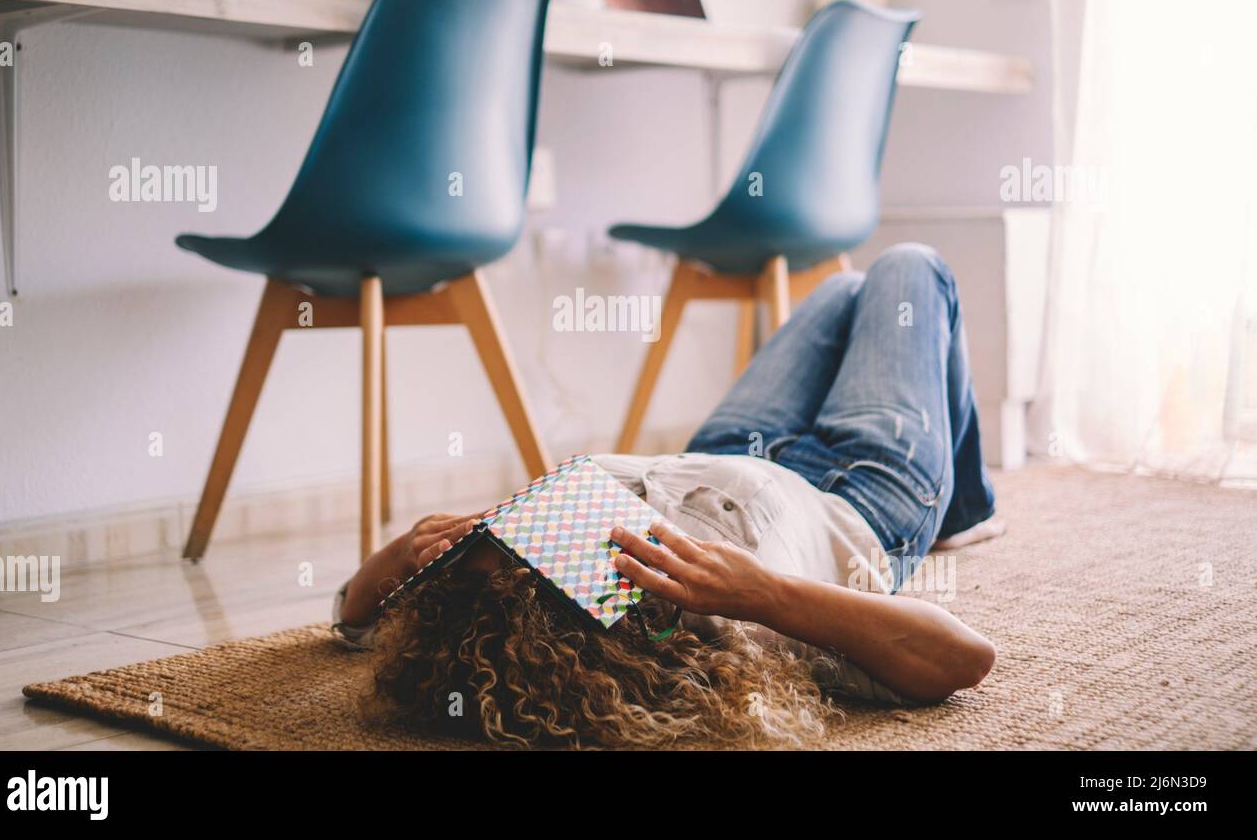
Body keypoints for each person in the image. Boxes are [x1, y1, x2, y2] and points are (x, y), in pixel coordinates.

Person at [335, 244, 1002, 748]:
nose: (504, 529)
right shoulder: (714, 626)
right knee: (911, 269)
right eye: (510, 552)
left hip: (728, 445)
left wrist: (405, 550)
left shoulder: (467, 622)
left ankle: (962, 498)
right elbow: (963, 658)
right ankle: (962, 505)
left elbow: (355, 616)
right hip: (860, 488)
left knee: (843, 291)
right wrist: (764, 594)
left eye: (491, 542)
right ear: (593, 601)